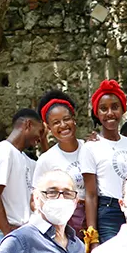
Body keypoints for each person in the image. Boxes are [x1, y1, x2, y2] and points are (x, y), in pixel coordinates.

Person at [79, 79, 127, 247]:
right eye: (103, 108)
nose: (110, 113)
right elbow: (91, 194)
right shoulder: (91, 147)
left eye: (115, 107)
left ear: (123, 109)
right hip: (109, 211)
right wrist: (92, 236)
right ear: (97, 113)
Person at [34, 91, 86, 234]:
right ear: (49, 128)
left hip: (95, 218)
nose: (63, 125)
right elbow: (36, 199)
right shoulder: (46, 160)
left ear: (74, 120)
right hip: (63, 225)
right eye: (56, 122)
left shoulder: (89, 148)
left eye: (66, 119)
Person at [0, 109, 42, 246]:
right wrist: (9, 236)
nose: (40, 137)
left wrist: (45, 141)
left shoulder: (25, 159)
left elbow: (48, 165)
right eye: (40, 132)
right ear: (28, 125)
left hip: (26, 232)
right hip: (10, 233)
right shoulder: (3, 151)